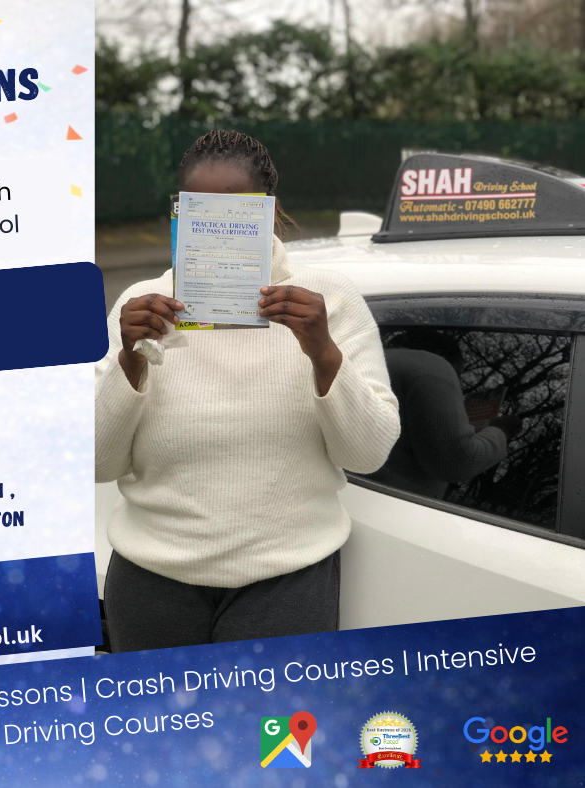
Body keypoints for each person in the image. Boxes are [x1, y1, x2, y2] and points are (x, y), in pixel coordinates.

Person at [95, 130, 401, 652]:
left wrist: (322, 351)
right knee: (161, 711)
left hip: (287, 580)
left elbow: (368, 454)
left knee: (272, 713)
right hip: (152, 580)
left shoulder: (330, 301)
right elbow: (98, 463)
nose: (217, 232)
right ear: (179, 214)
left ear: (270, 212)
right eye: (199, 214)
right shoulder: (143, 306)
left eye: (236, 213)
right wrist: (131, 358)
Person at [370, 328, 522, 499]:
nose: (455, 380)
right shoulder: (430, 366)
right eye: (456, 374)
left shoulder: (372, 360)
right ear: (441, 354)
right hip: (391, 503)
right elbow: (457, 463)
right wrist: (500, 431)